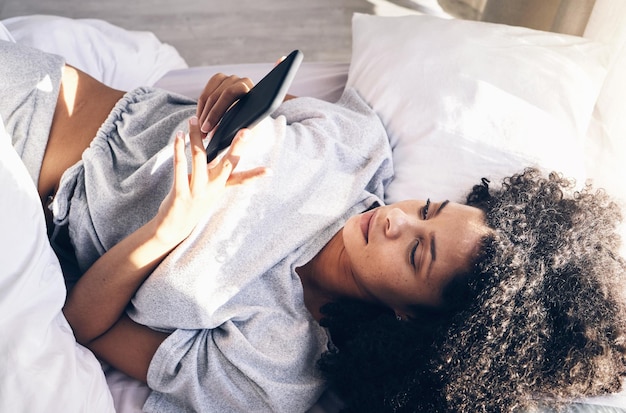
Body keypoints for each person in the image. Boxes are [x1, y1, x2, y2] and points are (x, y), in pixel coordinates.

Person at [3, 39, 626, 413]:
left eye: (417, 254)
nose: (396, 222)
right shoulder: (355, 148)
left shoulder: (274, 375)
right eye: (426, 211)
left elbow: (84, 326)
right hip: (44, 87)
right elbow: (236, 103)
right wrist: (233, 92)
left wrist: (168, 231)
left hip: (25, 201)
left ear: (411, 320)